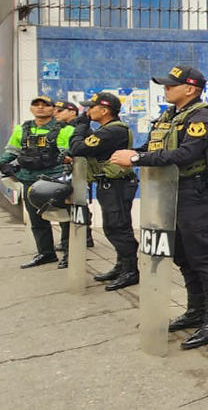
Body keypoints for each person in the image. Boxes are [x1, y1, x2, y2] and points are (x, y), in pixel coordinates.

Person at [110, 65, 208, 350]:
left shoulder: (203, 117)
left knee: (204, 258)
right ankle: (196, 310)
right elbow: (152, 147)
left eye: (170, 85)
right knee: (183, 256)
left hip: (193, 193)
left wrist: (137, 160)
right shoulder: (168, 117)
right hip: (167, 193)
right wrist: (135, 153)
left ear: (190, 89)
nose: (166, 89)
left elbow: (187, 154)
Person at [68, 92, 139, 290]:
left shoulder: (112, 131)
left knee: (118, 227)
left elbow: (78, 147)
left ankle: (130, 271)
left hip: (117, 185)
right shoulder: (107, 130)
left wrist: (81, 126)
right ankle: (121, 265)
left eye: (91, 107)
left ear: (105, 110)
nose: (88, 111)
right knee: (113, 226)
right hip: (111, 184)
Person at [0, 95, 74, 269]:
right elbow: (12, 151)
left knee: (65, 218)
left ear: (53, 110)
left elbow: (68, 151)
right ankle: (46, 253)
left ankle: (70, 255)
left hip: (56, 180)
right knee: (36, 219)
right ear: (31, 108)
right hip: (29, 178)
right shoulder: (22, 129)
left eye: (45, 105)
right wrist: (4, 162)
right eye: (36, 105)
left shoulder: (65, 129)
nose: (40, 108)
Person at [54, 99, 93, 261]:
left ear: (72, 112)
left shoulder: (80, 129)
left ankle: (78, 238)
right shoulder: (64, 128)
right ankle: (83, 237)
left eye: (60, 110)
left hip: (79, 173)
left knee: (75, 205)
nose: (56, 113)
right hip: (69, 172)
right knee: (72, 205)